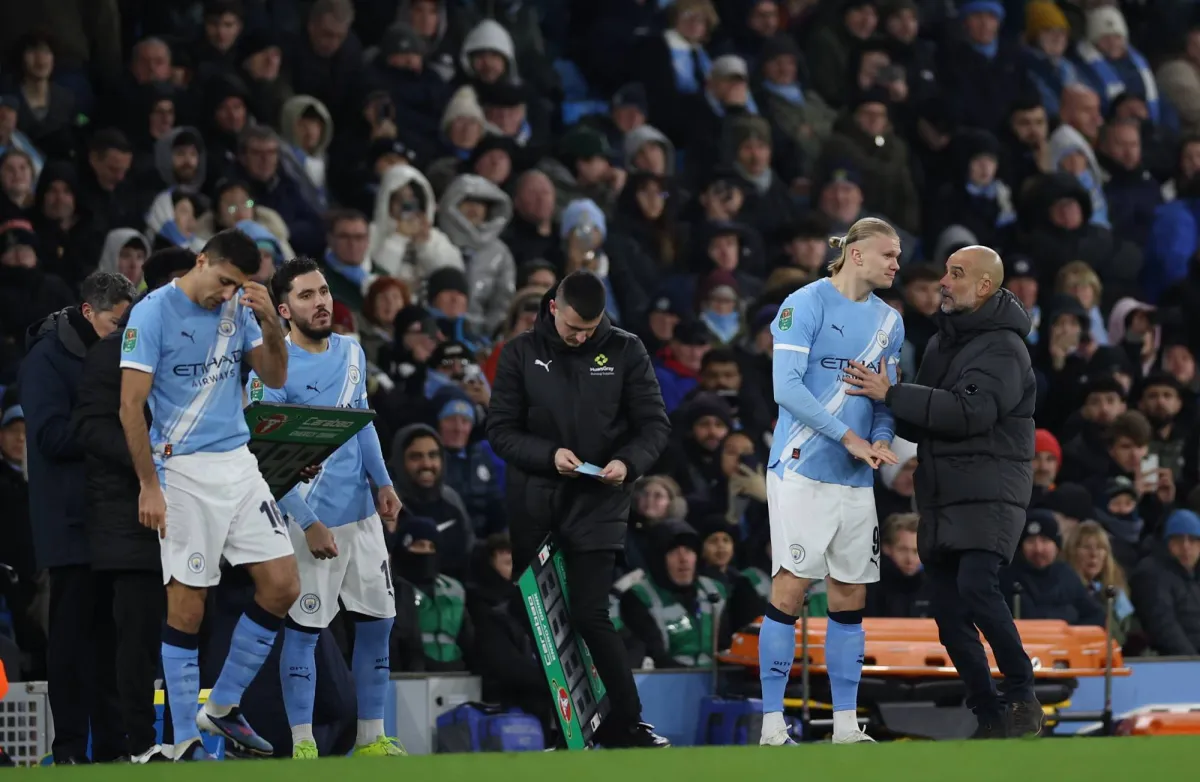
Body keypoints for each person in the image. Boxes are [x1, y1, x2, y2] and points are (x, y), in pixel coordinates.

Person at [844, 244, 1041, 739]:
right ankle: (989, 715)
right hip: (941, 493)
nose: (943, 283)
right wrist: (882, 404)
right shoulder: (941, 344)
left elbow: (970, 412)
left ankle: (1023, 696)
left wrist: (893, 393)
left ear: (984, 286)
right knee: (949, 613)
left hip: (990, 490)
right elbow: (922, 419)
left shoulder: (1004, 347)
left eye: (956, 274)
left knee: (976, 587)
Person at [117, 229, 296, 761]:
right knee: (187, 607)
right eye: (224, 281)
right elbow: (129, 407)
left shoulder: (239, 310)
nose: (228, 293)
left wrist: (271, 322)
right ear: (201, 261)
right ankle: (183, 743)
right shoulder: (151, 314)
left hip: (238, 464)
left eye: (238, 285)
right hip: (181, 469)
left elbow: (275, 376)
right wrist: (149, 485)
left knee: (283, 585)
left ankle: (221, 705)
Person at [485, 270, 672, 748]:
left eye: (590, 329)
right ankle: (565, 732)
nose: (581, 337)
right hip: (535, 500)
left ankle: (627, 723)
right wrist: (548, 456)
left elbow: (654, 425)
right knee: (543, 621)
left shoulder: (627, 350)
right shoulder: (519, 353)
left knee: (589, 614)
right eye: (573, 327)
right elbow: (500, 430)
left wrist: (627, 463)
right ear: (554, 307)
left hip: (600, 499)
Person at [246, 257, 404, 759]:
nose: (321, 303)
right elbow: (265, 459)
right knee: (305, 630)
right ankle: (303, 744)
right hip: (307, 519)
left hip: (362, 517)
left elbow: (363, 421)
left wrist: (383, 483)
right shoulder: (271, 368)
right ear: (283, 309)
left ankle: (372, 738)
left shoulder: (352, 351)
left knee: (378, 624)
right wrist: (309, 522)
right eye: (307, 295)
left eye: (324, 292)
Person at [758, 216, 903, 747]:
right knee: (791, 586)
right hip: (801, 469)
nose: (896, 264)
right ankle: (772, 725)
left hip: (856, 479)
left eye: (898, 256)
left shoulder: (890, 322)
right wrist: (849, 438)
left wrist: (880, 439)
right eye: (888, 254)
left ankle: (845, 725)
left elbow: (885, 397)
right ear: (856, 254)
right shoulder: (804, 305)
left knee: (849, 593)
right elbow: (786, 389)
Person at [71, 249, 195, 764]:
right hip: (131, 517)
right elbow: (89, 428)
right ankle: (140, 743)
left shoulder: (200, 346)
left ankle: (187, 737)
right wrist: (154, 462)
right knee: (138, 636)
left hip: (191, 511)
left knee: (190, 628)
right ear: (161, 288)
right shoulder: (115, 351)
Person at [19, 270, 137, 764]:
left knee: (112, 638)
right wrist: (117, 429)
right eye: (116, 324)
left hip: (112, 517)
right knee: (70, 638)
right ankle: (68, 747)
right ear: (88, 312)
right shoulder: (46, 358)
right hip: (68, 520)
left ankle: (113, 747)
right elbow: (48, 436)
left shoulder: (121, 354)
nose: (124, 335)